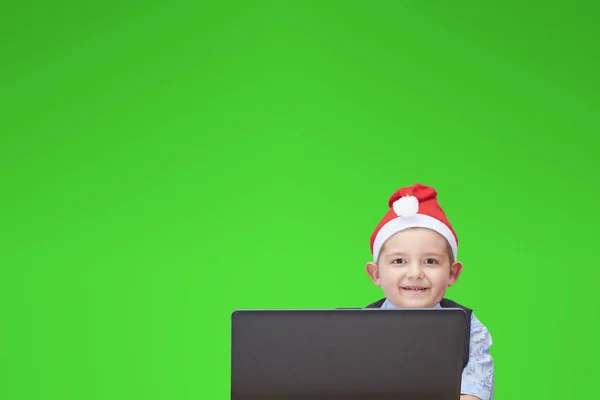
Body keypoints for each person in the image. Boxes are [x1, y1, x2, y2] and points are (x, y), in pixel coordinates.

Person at [364, 183, 494, 400]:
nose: (415, 273)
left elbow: (473, 393)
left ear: (453, 273)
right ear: (376, 274)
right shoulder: (358, 327)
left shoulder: (469, 328)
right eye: (399, 261)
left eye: (430, 261)